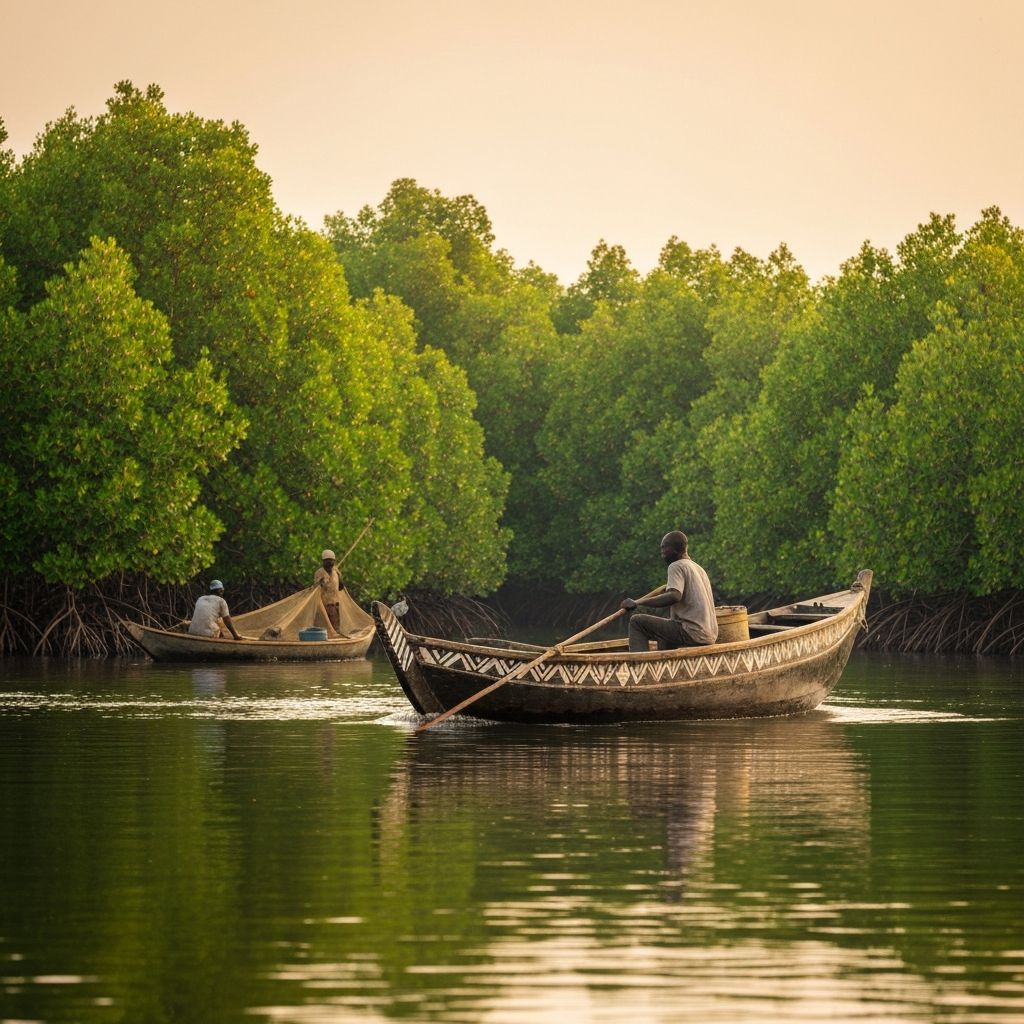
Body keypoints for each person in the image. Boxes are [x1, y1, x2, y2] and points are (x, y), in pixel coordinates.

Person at [620, 531, 718, 652]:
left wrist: (638, 602)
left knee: (637, 621)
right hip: (710, 635)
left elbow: (674, 596)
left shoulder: (676, 566)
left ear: (676, 549)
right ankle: (664, 665)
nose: (662, 552)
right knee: (667, 628)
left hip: (692, 632)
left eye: (664, 547)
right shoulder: (698, 568)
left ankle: (638, 665)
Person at [314, 549, 345, 632]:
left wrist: (339, 577)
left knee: (335, 628)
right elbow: (315, 589)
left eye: (331, 561)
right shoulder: (319, 573)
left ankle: (335, 641)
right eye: (326, 561)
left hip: (335, 606)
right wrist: (321, 582)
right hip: (323, 606)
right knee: (323, 629)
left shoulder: (336, 572)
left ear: (334, 562)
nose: (329, 564)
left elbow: (341, 588)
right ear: (323, 562)